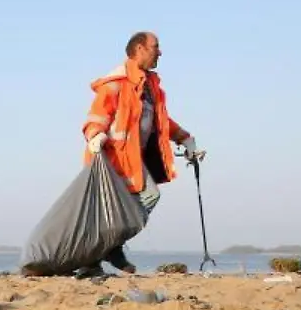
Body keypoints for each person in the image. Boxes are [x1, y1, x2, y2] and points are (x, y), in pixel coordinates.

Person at [77, 31, 205, 278]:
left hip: (132, 160)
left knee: (125, 208)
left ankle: (105, 251)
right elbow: (96, 116)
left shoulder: (149, 86)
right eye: (155, 46)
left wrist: (185, 138)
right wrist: (95, 135)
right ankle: (104, 253)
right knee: (140, 199)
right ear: (139, 49)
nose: (160, 52)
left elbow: (161, 121)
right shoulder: (116, 83)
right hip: (111, 160)